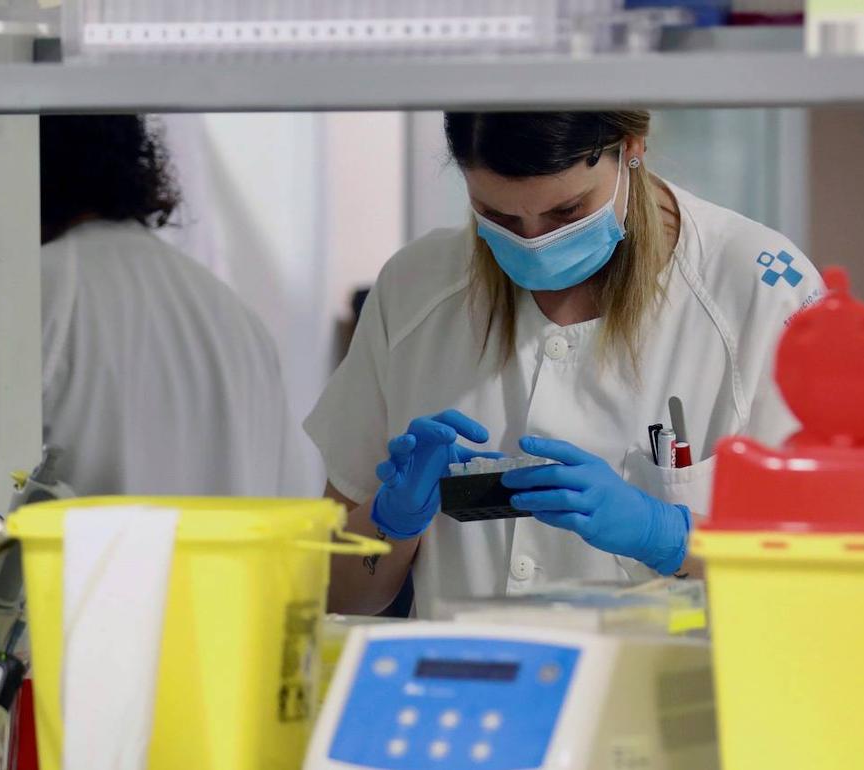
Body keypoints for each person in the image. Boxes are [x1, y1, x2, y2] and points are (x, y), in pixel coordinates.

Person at [305, 111, 824, 617]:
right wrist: (389, 524)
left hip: (665, 697)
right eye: (499, 216)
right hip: (468, 686)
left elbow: (819, 582)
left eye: (567, 212)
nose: (533, 241)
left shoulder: (760, 287)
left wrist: (664, 535)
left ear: (633, 150)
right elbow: (336, 596)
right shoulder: (415, 288)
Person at [40, 115, 307, 497]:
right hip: (238, 557)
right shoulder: (235, 315)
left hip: (84, 558)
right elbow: (291, 499)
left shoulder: (42, 289)